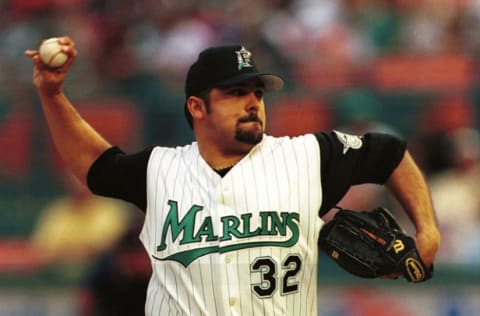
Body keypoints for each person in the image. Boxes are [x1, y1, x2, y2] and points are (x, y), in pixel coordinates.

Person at [25, 36, 440, 316]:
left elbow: (390, 153)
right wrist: (52, 94)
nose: (253, 103)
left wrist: (428, 230)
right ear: (197, 107)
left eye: (257, 93)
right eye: (236, 93)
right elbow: (94, 167)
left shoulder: (308, 156)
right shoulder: (159, 169)